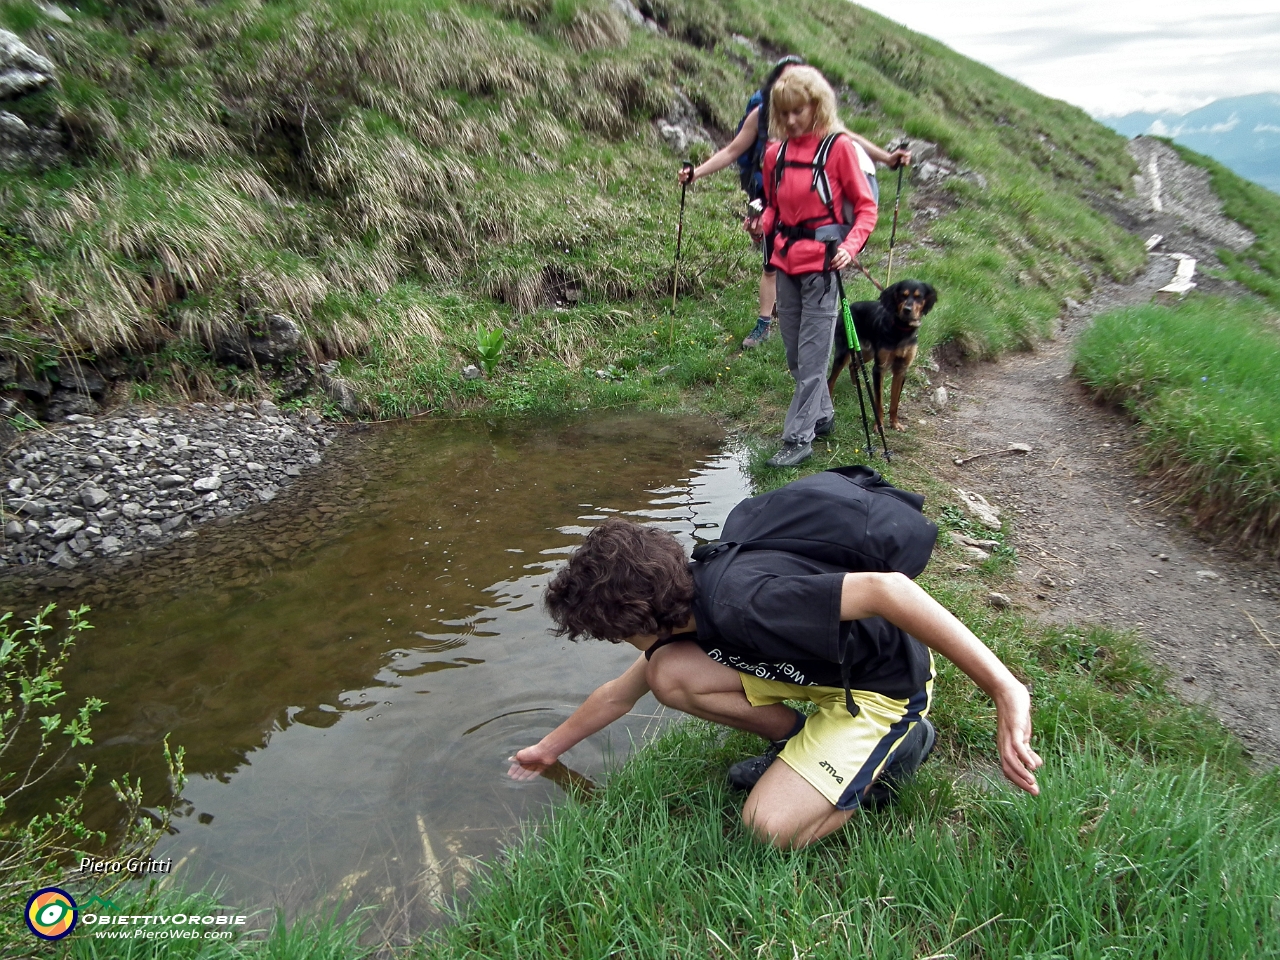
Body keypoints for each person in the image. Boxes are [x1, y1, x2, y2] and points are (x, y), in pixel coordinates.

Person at [508, 515, 1041, 851]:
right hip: (824, 675)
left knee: (768, 830)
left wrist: (1004, 689)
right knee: (667, 675)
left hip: (882, 689)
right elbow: (619, 694)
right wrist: (545, 751)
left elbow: (888, 590)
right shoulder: (688, 602)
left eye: (612, 634)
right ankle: (797, 746)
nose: (618, 644)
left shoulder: (745, 601)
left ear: (639, 620)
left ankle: (900, 749)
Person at [678, 59, 909, 350]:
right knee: (771, 264)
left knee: (797, 270)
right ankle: (765, 322)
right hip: (771, 197)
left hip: (809, 207)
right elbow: (733, 149)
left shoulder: (819, 123)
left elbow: (846, 137)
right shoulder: (762, 115)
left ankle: (804, 328)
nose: (790, 117)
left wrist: (886, 158)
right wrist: (696, 173)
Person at [753, 66, 880, 468]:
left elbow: (865, 207)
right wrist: (762, 222)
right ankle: (821, 415)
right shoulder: (775, 153)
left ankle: (797, 438)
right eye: (784, 112)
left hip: (824, 268)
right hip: (786, 262)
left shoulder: (838, 148)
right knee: (794, 355)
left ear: (816, 106)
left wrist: (850, 246)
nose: (791, 120)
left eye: (799, 111)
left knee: (811, 359)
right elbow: (774, 205)